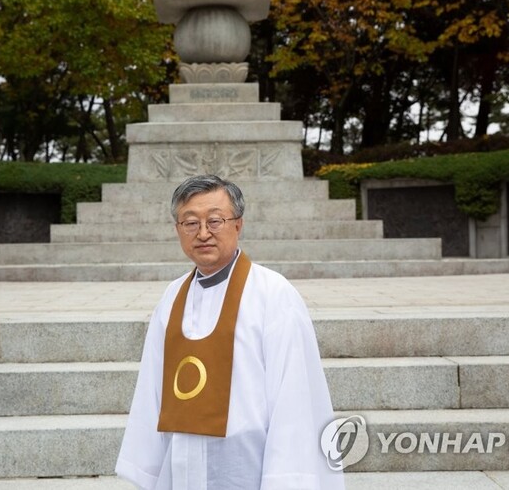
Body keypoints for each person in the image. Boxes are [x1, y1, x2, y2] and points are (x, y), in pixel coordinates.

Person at [116, 175, 345, 490]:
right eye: (190, 223)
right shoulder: (172, 295)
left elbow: (295, 395)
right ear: (177, 230)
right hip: (183, 462)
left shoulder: (272, 293)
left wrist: (285, 479)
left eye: (215, 220)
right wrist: (149, 469)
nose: (203, 233)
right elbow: (152, 386)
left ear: (238, 225)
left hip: (248, 465)